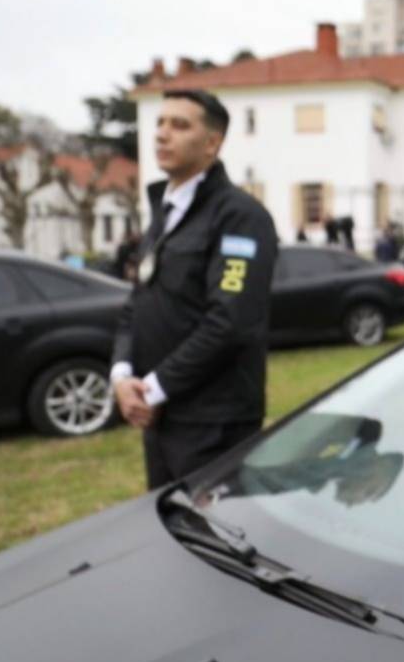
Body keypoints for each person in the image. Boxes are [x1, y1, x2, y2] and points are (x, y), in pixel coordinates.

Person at [111, 90, 279, 491]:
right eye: (160, 123)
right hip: (162, 413)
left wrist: (154, 387)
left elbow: (230, 321)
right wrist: (122, 375)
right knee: (163, 520)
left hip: (214, 421)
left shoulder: (240, 217)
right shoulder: (166, 210)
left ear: (211, 143)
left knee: (209, 527)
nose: (162, 134)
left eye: (180, 125)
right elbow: (138, 301)